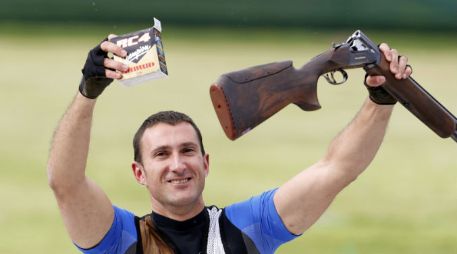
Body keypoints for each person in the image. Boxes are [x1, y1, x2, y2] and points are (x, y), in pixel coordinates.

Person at [47, 35, 412, 254]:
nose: (178, 164)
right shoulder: (121, 241)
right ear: (139, 173)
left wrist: (379, 100)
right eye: (162, 154)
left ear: (206, 163)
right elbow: (66, 183)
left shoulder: (244, 229)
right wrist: (88, 91)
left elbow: (336, 169)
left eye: (187, 150)